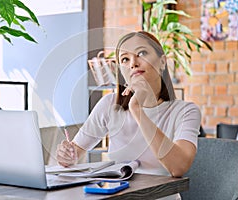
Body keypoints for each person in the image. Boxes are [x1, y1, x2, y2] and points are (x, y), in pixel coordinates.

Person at [56, 31, 201, 199]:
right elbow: (75, 152)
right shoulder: (109, 105)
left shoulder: (185, 111)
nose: (133, 63)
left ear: (162, 62)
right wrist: (67, 155)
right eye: (125, 59)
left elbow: (178, 167)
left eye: (142, 53)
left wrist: (137, 111)